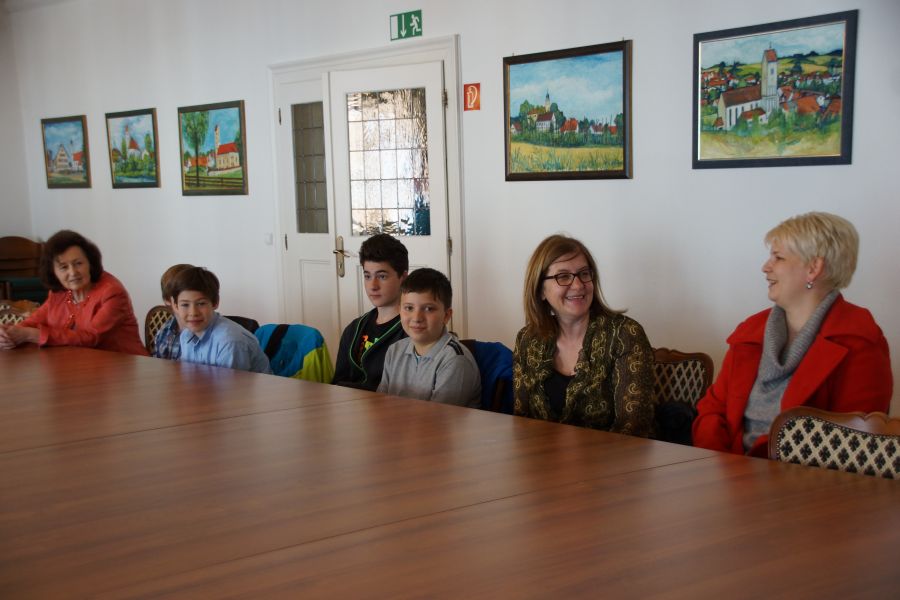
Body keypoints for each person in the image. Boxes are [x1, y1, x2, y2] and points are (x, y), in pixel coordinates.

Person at [693, 212, 893, 457]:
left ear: (813, 268)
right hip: (726, 469)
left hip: (802, 478)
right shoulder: (750, 332)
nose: (765, 267)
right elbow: (712, 410)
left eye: (778, 257)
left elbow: (853, 442)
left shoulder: (858, 340)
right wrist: (718, 462)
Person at [513, 234, 654, 436]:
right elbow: (521, 421)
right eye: (563, 276)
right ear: (540, 290)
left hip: (613, 455)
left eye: (584, 273)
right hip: (543, 454)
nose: (578, 285)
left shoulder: (624, 335)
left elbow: (633, 429)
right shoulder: (527, 339)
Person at [0, 230, 147, 355]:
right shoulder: (59, 293)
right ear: (53, 272)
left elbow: (91, 338)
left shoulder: (112, 292)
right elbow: (33, 322)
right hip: (82, 368)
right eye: (64, 267)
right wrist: (9, 333)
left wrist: (31, 335)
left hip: (125, 368)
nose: (73, 272)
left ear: (90, 263)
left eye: (78, 263)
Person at [378, 267, 480, 407]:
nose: (417, 318)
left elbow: (438, 418)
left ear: (446, 316)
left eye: (428, 309)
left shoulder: (455, 360)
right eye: (409, 308)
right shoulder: (394, 350)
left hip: (437, 422)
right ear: (400, 311)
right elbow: (381, 404)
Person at [332, 233, 409, 390]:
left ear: (403, 277)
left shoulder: (411, 330)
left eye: (382, 276)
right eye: (367, 276)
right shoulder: (353, 329)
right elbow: (337, 384)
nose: (373, 286)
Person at [168, 266, 272, 374]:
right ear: (175, 306)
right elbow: (189, 376)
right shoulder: (186, 335)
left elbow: (231, 384)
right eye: (185, 305)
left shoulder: (230, 342)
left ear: (215, 302)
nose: (193, 313)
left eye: (201, 303)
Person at [153, 263, 194, 360]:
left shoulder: (207, 335)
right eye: (185, 303)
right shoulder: (164, 330)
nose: (193, 310)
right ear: (167, 300)